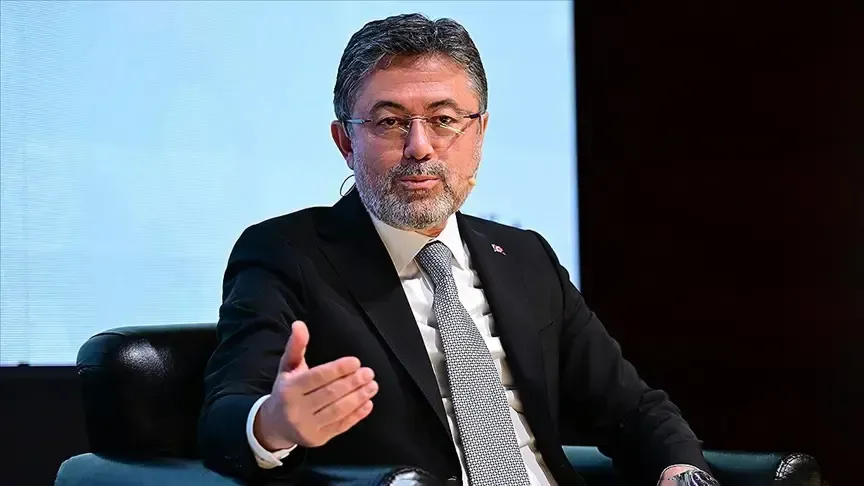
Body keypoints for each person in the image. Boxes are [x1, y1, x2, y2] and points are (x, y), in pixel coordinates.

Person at [198, 13, 720, 486]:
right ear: (346, 142)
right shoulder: (288, 254)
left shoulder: (525, 257)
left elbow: (634, 410)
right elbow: (224, 418)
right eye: (389, 121)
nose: (419, 147)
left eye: (444, 120)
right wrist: (273, 424)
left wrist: (680, 472)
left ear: (480, 133)